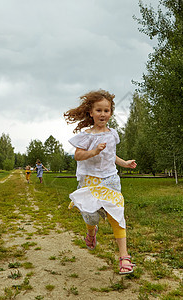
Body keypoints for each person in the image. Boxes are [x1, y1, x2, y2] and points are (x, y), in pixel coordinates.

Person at [64, 89, 137, 275]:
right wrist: (93, 152)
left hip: (111, 179)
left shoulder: (113, 134)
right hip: (89, 181)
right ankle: (91, 232)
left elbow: (111, 156)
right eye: (99, 110)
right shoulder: (86, 135)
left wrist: (124, 163)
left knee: (116, 215)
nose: (103, 114)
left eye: (106, 110)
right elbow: (78, 156)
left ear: (110, 113)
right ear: (91, 112)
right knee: (91, 216)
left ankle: (124, 257)